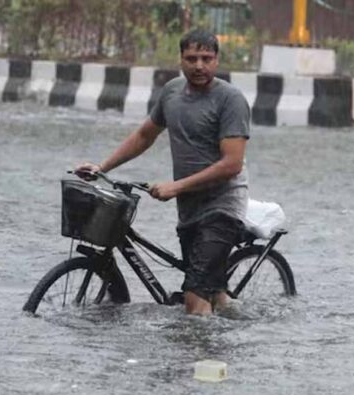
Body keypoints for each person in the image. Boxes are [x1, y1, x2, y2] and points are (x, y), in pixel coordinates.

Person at [76, 29, 250, 316]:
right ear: (180, 59)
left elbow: (232, 164)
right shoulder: (171, 93)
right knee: (210, 289)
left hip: (223, 207)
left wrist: (176, 186)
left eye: (206, 58)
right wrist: (102, 167)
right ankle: (234, 318)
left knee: (193, 296)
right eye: (191, 58)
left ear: (217, 60)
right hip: (189, 209)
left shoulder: (230, 100)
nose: (199, 65)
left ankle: (201, 344)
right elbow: (145, 135)